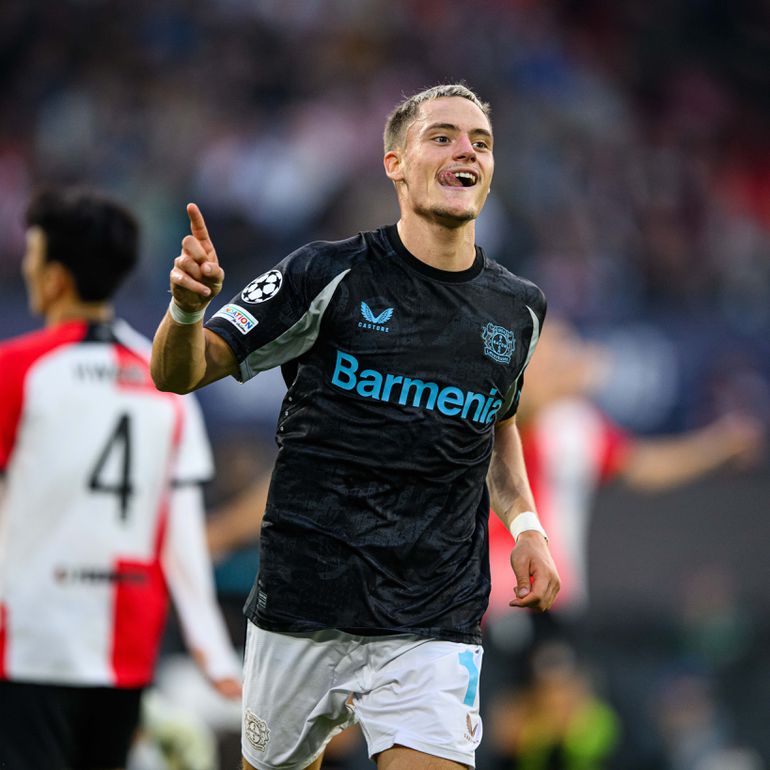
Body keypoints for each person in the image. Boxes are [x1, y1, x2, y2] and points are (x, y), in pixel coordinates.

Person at [150, 83, 560, 770]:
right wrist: (187, 311)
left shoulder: (519, 309)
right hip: (303, 606)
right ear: (395, 163)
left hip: (433, 617)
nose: (466, 150)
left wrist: (527, 527)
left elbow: (496, 424)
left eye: (481, 142)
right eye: (442, 136)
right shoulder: (325, 273)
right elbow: (178, 373)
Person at [0, 188, 241, 770]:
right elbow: (181, 530)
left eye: (32, 256)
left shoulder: (16, 370)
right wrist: (211, 648)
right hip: (127, 646)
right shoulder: (165, 380)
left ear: (54, 277)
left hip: (28, 643)